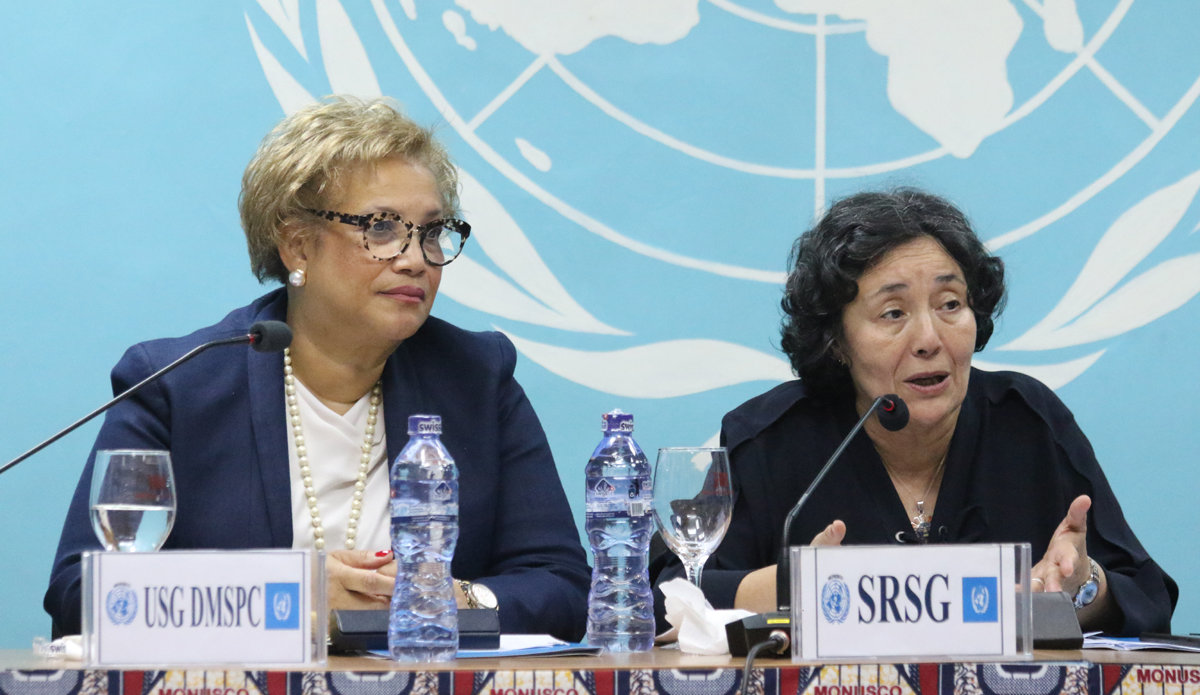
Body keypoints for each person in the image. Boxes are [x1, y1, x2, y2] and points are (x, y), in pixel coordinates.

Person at [45, 96, 590, 640]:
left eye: (430, 232)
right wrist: (288, 595)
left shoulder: (475, 377)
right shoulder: (179, 384)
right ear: (298, 246)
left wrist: (459, 600)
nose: (416, 258)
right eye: (381, 228)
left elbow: (565, 587)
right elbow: (82, 597)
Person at [655, 189, 1176, 636]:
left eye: (950, 304)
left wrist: (1082, 585)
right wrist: (793, 585)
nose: (930, 338)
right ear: (837, 340)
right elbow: (663, 591)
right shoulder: (769, 439)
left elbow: (1147, 598)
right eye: (894, 313)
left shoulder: (1028, 421)